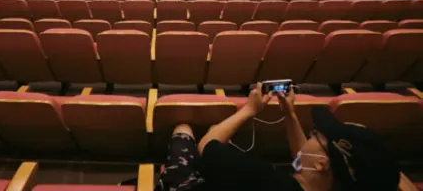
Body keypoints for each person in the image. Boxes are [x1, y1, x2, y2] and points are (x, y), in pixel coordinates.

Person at [156, 83, 400, 191]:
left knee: (185, 131)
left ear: (322, 164)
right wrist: (289, 114)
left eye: (316, 135)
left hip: (196, 182)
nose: (310, 137)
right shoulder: (332, 180)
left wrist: (250, 110)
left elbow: (208, 144)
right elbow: (303, 159)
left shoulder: (258, 175)